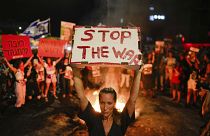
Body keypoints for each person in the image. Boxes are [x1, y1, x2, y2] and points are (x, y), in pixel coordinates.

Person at [73, 65, 143, 136]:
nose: (105, 108)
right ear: (99, 102)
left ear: (114, 103)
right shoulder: (93, 118)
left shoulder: (121, 120)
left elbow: (132, 99)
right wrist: (74, 69)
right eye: (102, 103)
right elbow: (81, 96)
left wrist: (138, 72)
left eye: (109, 103)